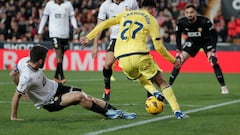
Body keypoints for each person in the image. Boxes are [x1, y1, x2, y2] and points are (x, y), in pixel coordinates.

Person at [80, 0, 187, 119]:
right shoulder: (151, 19)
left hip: (122, 58)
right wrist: (173, 61)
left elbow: (104, 24)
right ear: (153, 9)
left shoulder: (125, 14)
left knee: (140, 78)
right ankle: (177, 111)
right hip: (139, 54)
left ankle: (153, 91)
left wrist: (89, 36)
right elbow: (158, 47)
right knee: (161, 81)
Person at [9, 45, 136, 121]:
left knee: (85, 95)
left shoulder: (24, 60)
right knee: (79, 97)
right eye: (46, 58)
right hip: (50, 101)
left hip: (56, 87)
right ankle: (109, 114)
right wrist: (13, 117)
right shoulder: (27, 77)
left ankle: (119, 112)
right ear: (40, 61)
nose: (47, 60)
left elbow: (12, 74)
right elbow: (16, 96)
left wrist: (23, 90)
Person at [168, 4, 229, 94]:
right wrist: (178, 51)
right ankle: (168, 86)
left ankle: (223, 86)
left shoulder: (205, 21)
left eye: (192, 12)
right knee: (179, 61)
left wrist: (213, 50)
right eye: (187, 13)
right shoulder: (181, 22)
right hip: (192, 42)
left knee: (213, 61)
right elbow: (178, 36)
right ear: (184, 13)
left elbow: (213, 35)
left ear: (196, 12)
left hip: (206, 41)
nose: (189, 14)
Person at [90, 0, 139, 102]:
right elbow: (99, 26)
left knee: (137, 65)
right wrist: (95, 45)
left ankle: (151, 93)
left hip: (129, 39)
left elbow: (140, 19)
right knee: (108, 63)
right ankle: (107, 89)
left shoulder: (131, 2)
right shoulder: (105, 5)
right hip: (115, 39)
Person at [38, 0, 80, 83]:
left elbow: (72, 17)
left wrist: (75, 26)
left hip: (65, 34)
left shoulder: (68, 4)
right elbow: (44, 17)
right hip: (54, 33)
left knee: (61, 56)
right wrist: (40, 31)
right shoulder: (49, 4)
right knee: (59, 53)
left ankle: (56, 76)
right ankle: (62, 77)